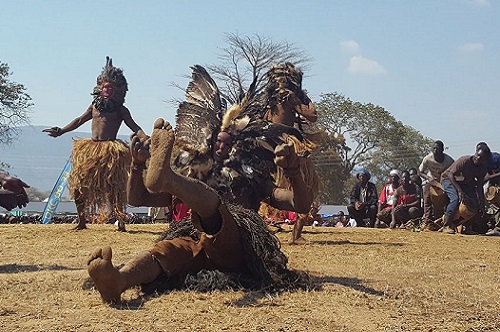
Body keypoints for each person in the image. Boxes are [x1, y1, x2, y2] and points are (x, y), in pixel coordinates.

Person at [86, 65, 313, 303]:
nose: (221, 147)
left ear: (238, 147)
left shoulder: (252, 180)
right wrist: (137, 165)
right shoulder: (193, 174)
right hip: (194, 243)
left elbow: (300, 204)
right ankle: (119, 280)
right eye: (217, 142)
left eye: (227, 143)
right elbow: (137, 199)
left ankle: (168, 179)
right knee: (165, 252)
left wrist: (293, 171)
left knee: (214, 209)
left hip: (234, 249)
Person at [43, 57, 147, 231]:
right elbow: (78, 120)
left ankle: (121, 223)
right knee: (79, 186)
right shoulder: (94, 106)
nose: (107, 90)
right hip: (89, 150)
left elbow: (135, 127)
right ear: (99, 88)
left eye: (110, 88)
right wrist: (61, 131)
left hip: (111, 151)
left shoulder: (121, 110)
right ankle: (82, 221)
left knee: (115, 187)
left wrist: (146, 137)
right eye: (105, 87)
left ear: (117, 91)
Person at [261, 62, 320, 244]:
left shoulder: (271, 99)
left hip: (269, 141)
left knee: (265, 185)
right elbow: (313, 115)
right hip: (287, 143)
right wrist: (303, 96)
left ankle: (286, 230)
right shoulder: (290, 97)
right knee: (305, 184)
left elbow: (267, 119)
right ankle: (296, 234)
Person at [439, 143, 492, 234]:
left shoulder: (482, 169)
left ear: (485, 160)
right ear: (475, 153)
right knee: (455, 198)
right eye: (477, 155)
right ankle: (446, 225)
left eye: (481, 157)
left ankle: (467, 227)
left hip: (463, 183)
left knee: (474, 203)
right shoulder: (464, 160)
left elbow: (479, 187)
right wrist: (459, 191)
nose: (478, 158)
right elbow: (450, 174)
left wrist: (482, 205)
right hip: (448, 179)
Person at [417, 140, 454, 225]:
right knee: (427, 200)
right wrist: (428, 178)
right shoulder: (427, 158)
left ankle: (441, 221)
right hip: (430, 181)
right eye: (434, 148)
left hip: (443, 182)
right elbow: (420, 172)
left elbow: (454, 173)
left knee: (442, 202)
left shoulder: (449, 161)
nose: (435, 151)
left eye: (437, 149)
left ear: (442, 150)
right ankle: (427, 221)